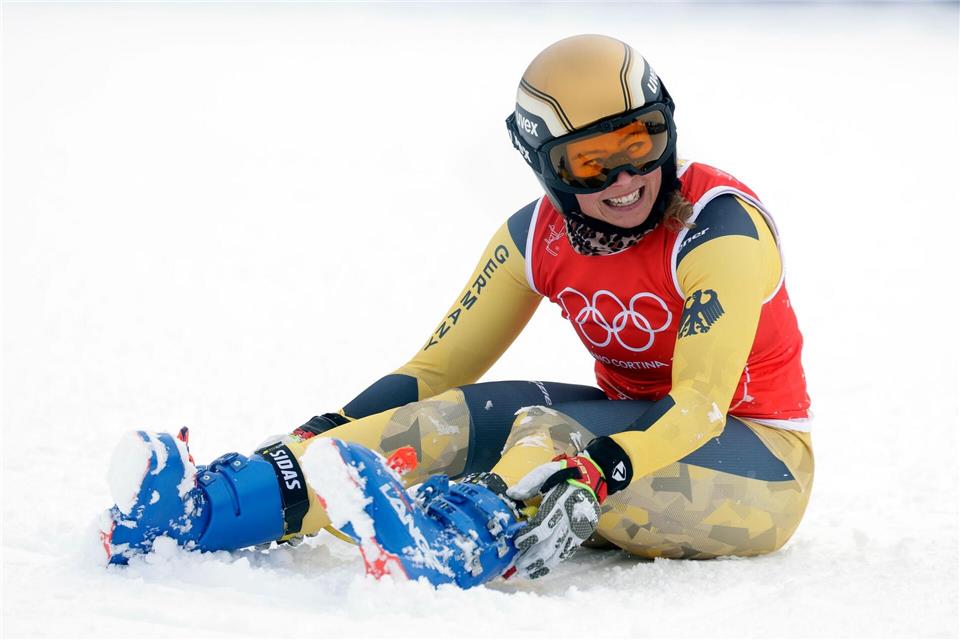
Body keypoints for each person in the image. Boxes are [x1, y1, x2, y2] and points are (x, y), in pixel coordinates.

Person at [99, 34, 813, 587]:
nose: (627, 179)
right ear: (545, 165)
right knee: (463, 413)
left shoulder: (718, 230)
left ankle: (457, 545)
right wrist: (313, 438)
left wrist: (599, 469)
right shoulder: (535, 238)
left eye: (642, 140)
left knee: (544, 432)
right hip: (628, 454)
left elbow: (700, 405)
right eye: (590, 163)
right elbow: (435, 368)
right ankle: (208, 511)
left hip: (759, 472)